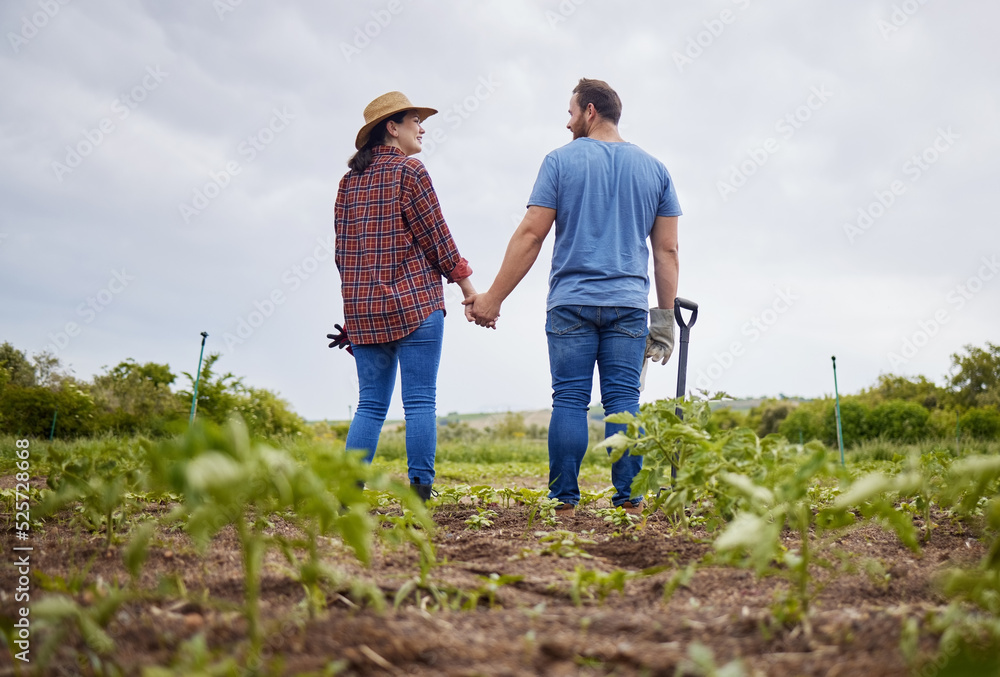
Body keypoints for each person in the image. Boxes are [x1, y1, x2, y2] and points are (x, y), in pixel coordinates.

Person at [465, 78, 682, 514]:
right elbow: (667, 250)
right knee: (624, 403)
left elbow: (531, 234)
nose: (566, 124)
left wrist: (493, 297)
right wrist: (663, 317)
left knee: (569, 399)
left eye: (569, 113)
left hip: (571, 303)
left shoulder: (559, 162)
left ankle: (564, 501)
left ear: (589, 111)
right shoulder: (656, 170)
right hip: (627, 305)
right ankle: (631, 501)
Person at [334, 91, 484, 501]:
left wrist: (354, 317)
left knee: (369, 405)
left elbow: (343, 256)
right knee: (419, 402)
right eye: (415, 120)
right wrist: (469, 288)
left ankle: (348, 495)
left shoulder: (347, 184)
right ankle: (420, 495)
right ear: (392, 127)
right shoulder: (410, 171)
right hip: (415, 305)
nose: (423, 128)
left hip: (364, 312)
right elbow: (438, 238)